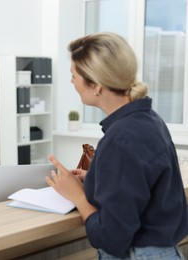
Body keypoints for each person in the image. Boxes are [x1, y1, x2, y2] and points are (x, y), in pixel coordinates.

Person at [46, 32, 188, 259]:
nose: (71, 82)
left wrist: (78, 197)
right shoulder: (148, 119)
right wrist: (96, 178)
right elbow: (139, 185)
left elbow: (111, 238)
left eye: (74, 75)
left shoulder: (121, 139)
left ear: (96, 85)